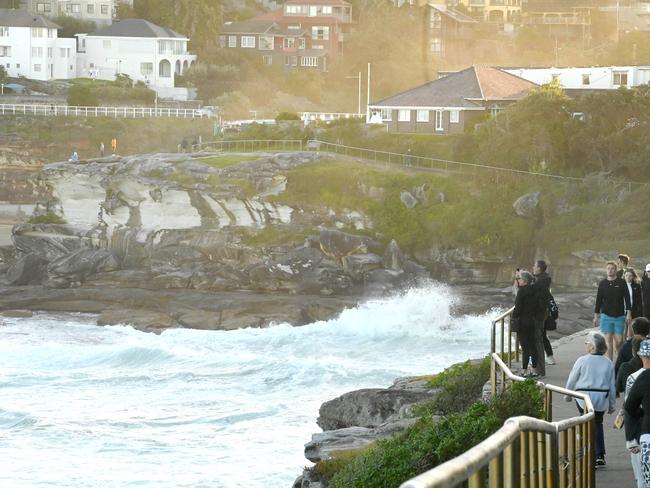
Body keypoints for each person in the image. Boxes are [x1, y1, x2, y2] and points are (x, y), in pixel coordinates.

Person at [565, 331, 616, 468]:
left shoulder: (582, 360)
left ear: (592, 347)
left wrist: (568, 394)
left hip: (584, 396)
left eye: (587, 343)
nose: (586, 346)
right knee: (597, 423)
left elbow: (572, 379)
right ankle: (599, 455)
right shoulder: (608, 362)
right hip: (601, 396)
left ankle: (585, 452)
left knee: (584, 421)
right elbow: (612, 385)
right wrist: (612, 404)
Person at [625, 339, 650, 486]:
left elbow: (629, 406)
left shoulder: (641, 377)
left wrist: (643, 413)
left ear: (641, 356)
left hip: (647, 433)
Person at [594, 261, 632, 360]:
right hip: (606, 315)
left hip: (619, 315)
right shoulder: (603, 283)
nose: (610, 270)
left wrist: (629, 313)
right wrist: (596, 315)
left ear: (615, 270)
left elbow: (627, 298)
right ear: (606, 270)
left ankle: (619, 357)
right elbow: (598, 300)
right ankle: (610, 364)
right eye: (608, 268)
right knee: (608, 341)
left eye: (612, 268)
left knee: (619, 341)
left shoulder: (621, 282)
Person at [513, 271, 540, 377]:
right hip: (533, 321)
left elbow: (518, 309)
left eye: (519, 279)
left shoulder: (521, 292)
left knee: (525, 347)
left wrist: (513, 316)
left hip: (523, 322)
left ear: (524, 281)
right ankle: (534, 370)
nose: (518, 281)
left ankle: (524, 371)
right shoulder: (535, 290)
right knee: (533, 346)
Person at [532, 259, 554, 368]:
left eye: (534, 266)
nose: (533, 268)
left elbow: (528, 290)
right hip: (544, 311)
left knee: (539, 336)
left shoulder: (540, 281)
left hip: (540, 313)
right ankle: (549, 356)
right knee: (543, 335)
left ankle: (539, 360)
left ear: (539, 268)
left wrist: (518, 278)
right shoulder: (544, 279)